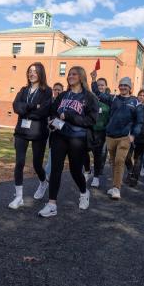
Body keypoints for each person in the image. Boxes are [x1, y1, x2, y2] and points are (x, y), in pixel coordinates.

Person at [38, 67, 98, 218]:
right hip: (59, 135)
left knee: (74, 170)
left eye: (74, 74)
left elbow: (91, 120)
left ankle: (84, 192)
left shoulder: (89, 97)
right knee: (55, 169)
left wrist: (70, 116)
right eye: (69, 74)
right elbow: (53, 110)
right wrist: (52, 120)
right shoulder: (63, 95)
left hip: (77, 138)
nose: (70, 76)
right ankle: (52, 204)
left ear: (81, 76)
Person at [91, 72, 143, 200]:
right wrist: (93, 79)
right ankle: (114, 185)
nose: (123, 87)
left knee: (120, 161)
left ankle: (117, 189)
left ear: (130, 88)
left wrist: (134, 135)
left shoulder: (136, 103)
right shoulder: (113, 98)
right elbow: (98, 93)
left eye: (125, 85)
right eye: (121, 85)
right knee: (114, 162)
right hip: (110, 136)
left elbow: (139, 121)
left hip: (125, 137)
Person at [9, 63, 53, 209]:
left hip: (38, 133)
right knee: (19, 162)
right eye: (30, 71)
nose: (32, 74)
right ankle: (19, 197)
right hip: (21, 131)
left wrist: (26, 109)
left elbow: (43, 112)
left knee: (36, 164)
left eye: (35, 71)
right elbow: (16, 107)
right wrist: (33, 106)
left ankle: (43, 181)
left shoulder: (47, 91)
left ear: (41, 73)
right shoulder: (23, 90)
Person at [89, 77, 110, 188]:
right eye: (98, 85)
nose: (100, 87)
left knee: (98, 154)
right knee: (82, 151)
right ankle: (87, 170)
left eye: (102, 85)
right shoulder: (91, 98)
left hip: (101, 132)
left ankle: (96, 177)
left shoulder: (109, 99)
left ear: (106, 86)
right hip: (89, 129)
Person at [44, 83, 65, 179]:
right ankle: (48, 173)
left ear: (62, 91)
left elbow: (63, 120)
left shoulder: (64, 103)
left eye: (59, 90)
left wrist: (54, 124)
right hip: (47, 131)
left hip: (59, 133)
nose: (57, 91)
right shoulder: (49, 101)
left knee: (54, 155)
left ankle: (47, 174)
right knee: (50, 152)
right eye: (55, 89)